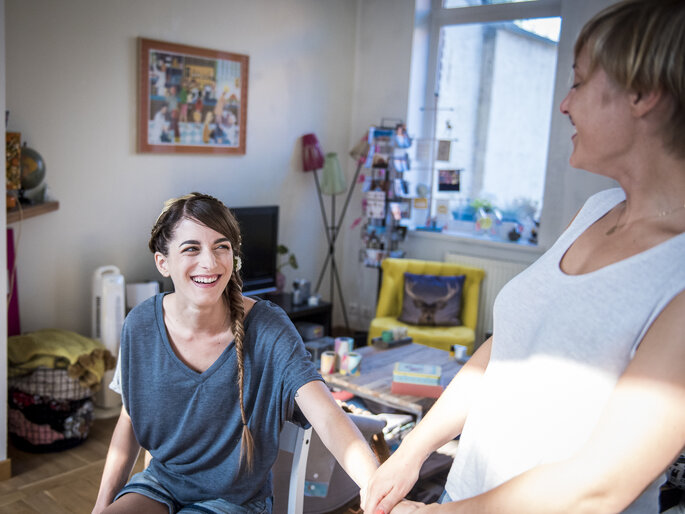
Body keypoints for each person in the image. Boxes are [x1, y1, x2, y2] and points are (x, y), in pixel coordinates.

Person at [362, 1, 685, 512]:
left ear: (643, 94)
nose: (564, 104)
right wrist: (414, 450)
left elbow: (601, 486)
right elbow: (504, 349)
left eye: (578, 82)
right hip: (463, 492)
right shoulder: (596, 210)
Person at [92, 193, 379, 513]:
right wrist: (101, 507)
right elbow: (130, 420)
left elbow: (328, 417)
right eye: (191, 248)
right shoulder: (140, 325)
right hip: (160, 484)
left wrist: (376, 488)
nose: (209, 262)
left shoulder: (269, 329)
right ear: (163, 262)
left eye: (221, 247)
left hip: (233, 502)